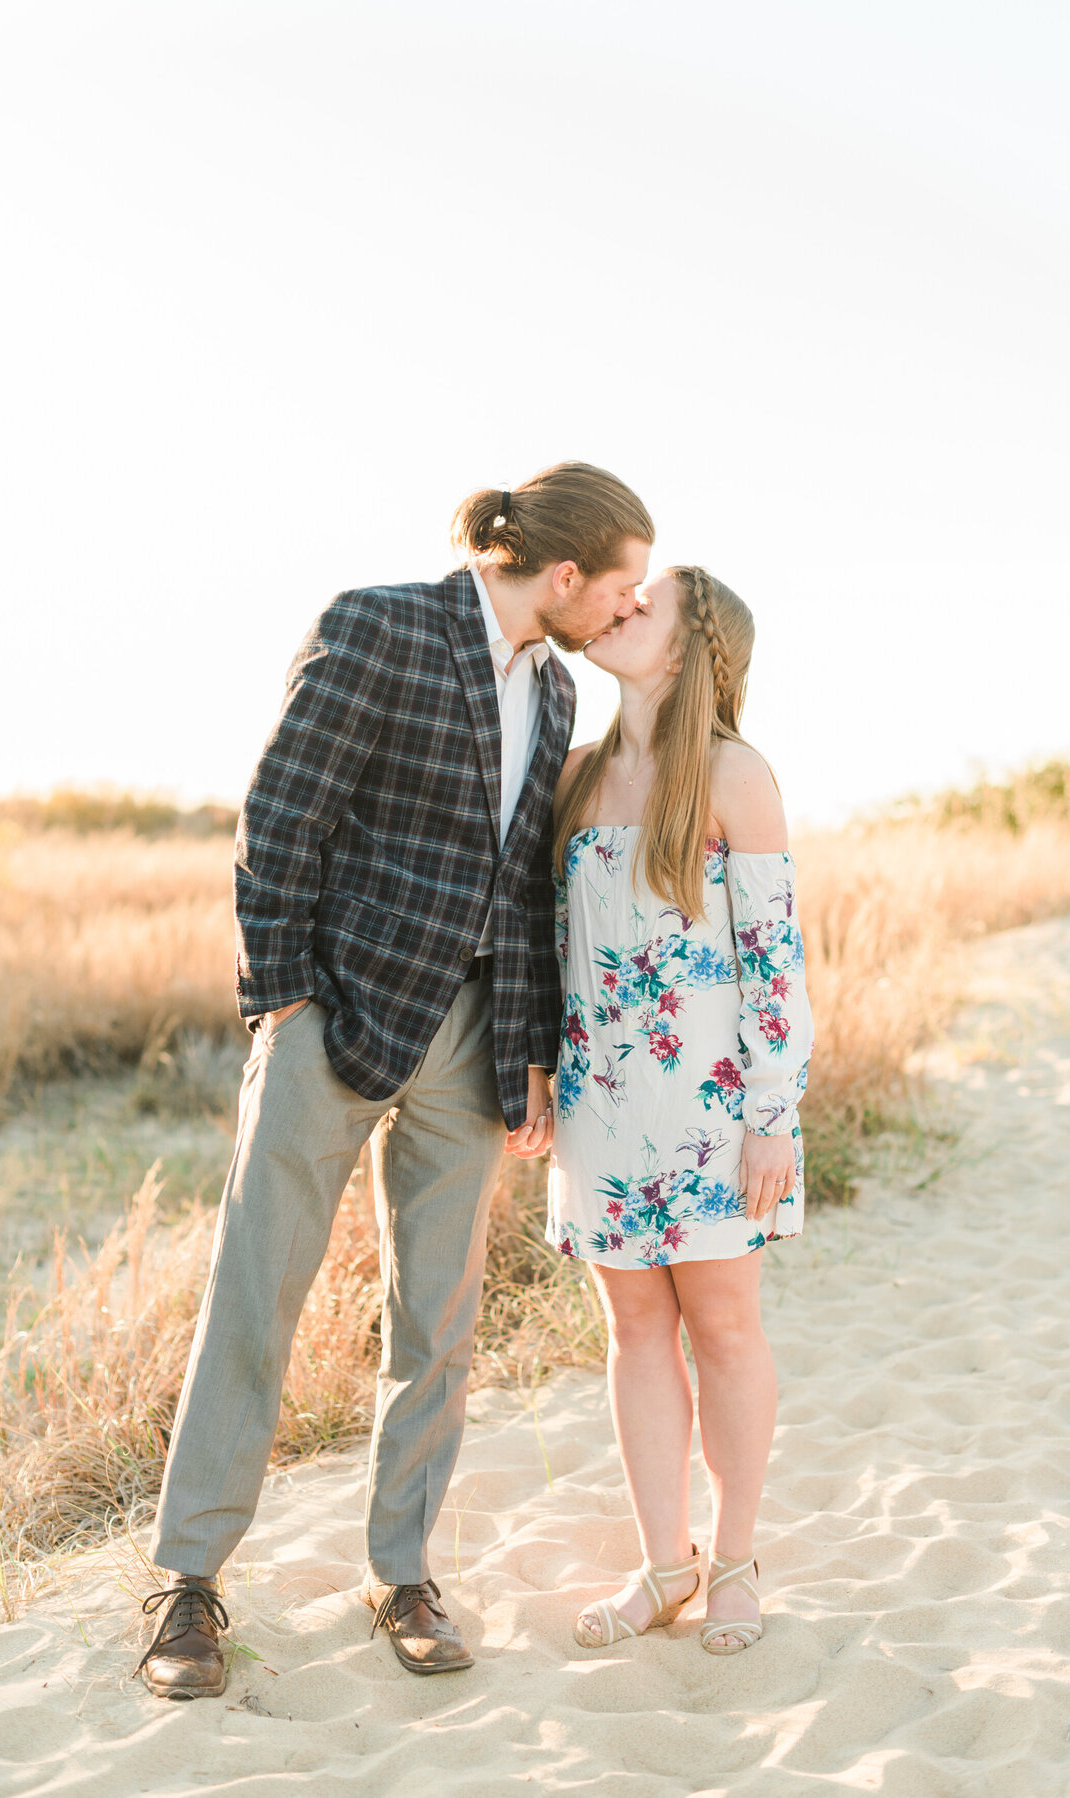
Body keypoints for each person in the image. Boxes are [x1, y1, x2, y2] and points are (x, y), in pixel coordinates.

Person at [136, 463, 654, 1697]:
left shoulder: (562, 685)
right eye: (620, 587)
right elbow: (279, 815)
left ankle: (402, 1570)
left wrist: (529, 1050)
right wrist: (285, 999)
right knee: (256, 1292)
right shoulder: (377, 622)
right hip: (336, 1018)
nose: (624, 612)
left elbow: (524, 887)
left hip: (470, 1045)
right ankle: (188, 1584)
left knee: (439, 1323)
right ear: (565, 573)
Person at [546, 564, 812, 1655]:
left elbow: (776, 959)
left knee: (725, 1326)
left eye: (642, 603)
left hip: (714, 1114)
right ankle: (664, 1566)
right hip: (598, 1110)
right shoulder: (573, 775)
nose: (617, 607)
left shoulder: (735, 775)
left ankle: (736, 1562)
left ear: (695, 644)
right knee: (635, 1333)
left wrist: (771, 1112)